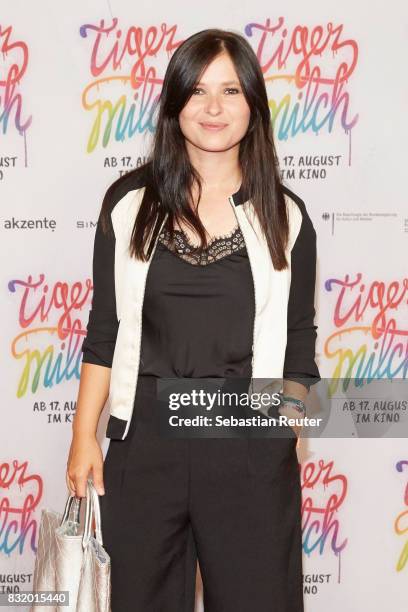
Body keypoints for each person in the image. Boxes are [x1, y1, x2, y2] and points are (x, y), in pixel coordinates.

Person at [67, 28, 320, 612]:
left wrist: (285, 438)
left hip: (247, 433)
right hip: (145, 438)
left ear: (253, 104)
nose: (213, 108)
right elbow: (104, 332)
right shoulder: (128, 203)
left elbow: (300, 344)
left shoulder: (287, 215)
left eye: (230, 91)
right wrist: (84, 435)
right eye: (198, 90)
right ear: (174, 102)